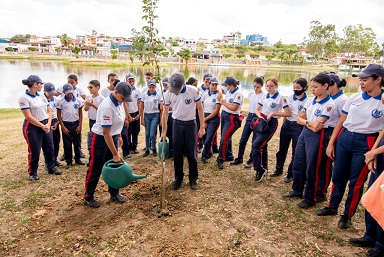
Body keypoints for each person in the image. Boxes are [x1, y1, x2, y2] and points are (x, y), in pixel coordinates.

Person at [315, 64, 384, 229]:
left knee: (356, 181)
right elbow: (341, 121)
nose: (361, 82)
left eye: (365, 79)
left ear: (378, 80)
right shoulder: (354, 98)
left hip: (366, 142)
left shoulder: (382, 101)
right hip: (345, 138)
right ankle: (332, 206)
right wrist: (331, 143)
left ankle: (347, 215)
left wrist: (373, 151)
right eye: (360, 79)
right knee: (338, 176)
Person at [283, 73, 335, 208]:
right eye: (311, 87)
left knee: (312, 167)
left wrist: (306, 122)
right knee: (298, 161)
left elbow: (319, 126)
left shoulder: (329, 104)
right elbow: (299, 119)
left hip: (318, 136)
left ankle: (310, 197)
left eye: (315, 87)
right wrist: (309, 123)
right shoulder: (310, 100)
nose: (313, 89)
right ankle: (297, 189)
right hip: (305, 133)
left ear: (325, 86)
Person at [83, 81, 133, 208]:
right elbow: (105, 133)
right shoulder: (107, 106)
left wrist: (119, 136)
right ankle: (88, 197)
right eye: (123, 97)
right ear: (116, 92)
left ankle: (114, 192)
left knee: (114, 166)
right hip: (100, 138)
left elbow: (118, 121)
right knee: (96, 168)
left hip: (113, 136)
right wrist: (116, 154)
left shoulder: (119, 102)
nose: (124, 100)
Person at [161, 72, 205, 190]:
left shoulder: (193, 91)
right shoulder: (168, 93)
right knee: (177, 152)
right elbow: (165, 112)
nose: (175, 91)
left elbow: (200, 108)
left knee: (192, 153)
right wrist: (163, 130)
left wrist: (202, 127)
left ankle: (193, 179)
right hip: (177, 124)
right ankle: (178, 178)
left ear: (184, 84)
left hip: (191, 124)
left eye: (177, 88)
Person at [349, 129, 384, 257]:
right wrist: (372, 152)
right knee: (372, 198)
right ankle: (370, 235)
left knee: (382, 204)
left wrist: (374, 151)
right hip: (380, 154)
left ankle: (381, 245)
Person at [19, 75, 61, 180]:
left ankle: (51, 167)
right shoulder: (24, 98)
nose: (41, 86)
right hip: (33, 127)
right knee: (35, 150)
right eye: (40, 84)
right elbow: (28, 116)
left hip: (46, 123)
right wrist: (42, 126)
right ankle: (33, 172)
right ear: (35, 84)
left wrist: (48, 123)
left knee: (49, 147)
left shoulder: (41, 96)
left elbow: (49, 110)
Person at [252, 76, 291, 181]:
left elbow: (287, 113)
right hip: (262, 121)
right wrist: (259, 116)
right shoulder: (264, 96)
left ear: (276, 86)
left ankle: (259, 169)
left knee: (256, 145)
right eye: (267, 86)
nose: (269, 88)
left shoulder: (281, 98)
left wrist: (274, 113)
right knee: (262, 146)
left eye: (271, 86)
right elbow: (257, 109)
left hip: (271, 122)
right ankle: (264, 168)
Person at [270, 78, 309, 182]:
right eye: (294, 87)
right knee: (282, 149)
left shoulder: (307, 101)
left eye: (298, 88)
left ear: (304, 88)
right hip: (287, 125)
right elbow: (286, 112)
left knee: (295, 151)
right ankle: (278, 169)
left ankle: (290, 173)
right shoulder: (290, 98)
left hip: (298, 127)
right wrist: (284, 124)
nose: (295, 90)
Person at [316, 72, 348, 200]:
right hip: (323, 130)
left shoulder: (342, 100)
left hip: (332, 131)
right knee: (320, 162)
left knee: (327, 164)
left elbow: (343, 120)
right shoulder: (328, 97)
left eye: (328, 85)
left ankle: (322, 192)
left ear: (333, 85)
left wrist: (334, 138)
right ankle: (317, 187)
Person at [230, 76, 265, 168]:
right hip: (250, 117)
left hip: (258, 118)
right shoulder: (250, 94)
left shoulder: (264, 96)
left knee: (254, 141)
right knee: (243, 139)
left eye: (258, 87)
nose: (256, 89)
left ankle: (251, 160)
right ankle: (239, 158)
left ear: (262, 86)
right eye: (254, 86)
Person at [216, 76, 244, 170]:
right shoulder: (229, 91)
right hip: (225, 115)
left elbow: (234, 108)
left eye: (227, 85)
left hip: (232, 117)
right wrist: (220, 92)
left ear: (231, 85)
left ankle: (221, 159)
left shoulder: (238, 94)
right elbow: (220, 89)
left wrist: (223, 102)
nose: (226, 87)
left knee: (224, 138)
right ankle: (228, 155)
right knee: (227, 137)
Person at [56, 83, 85, 169]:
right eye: (68, 93)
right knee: (67, 143)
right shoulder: (61, 101)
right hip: (66, 124)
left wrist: (80, 125)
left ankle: (78, 159)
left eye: (71, 92)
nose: (70, 94)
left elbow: (80, 113)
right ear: (64, 92)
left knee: (77, 142)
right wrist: (63, 127)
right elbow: (59, 115)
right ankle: (69, 161)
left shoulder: (78, 100)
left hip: (76, 123)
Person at [200, 77, 221, 163]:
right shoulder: (204, 94)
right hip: (205, 116)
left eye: (216, 85)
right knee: (204, 137)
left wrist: (205, 119)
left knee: (209, 137)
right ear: (209, 84)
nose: (214, 87)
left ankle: (204, 155)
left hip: (213, 118)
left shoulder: (218, 95)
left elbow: (216, 111)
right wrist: (203, 120)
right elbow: (201, 107)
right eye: (212, 85)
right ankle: (209, 152)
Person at [140, 79, 162, 157]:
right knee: (147, 133)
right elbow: (141, 106)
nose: (151, 89)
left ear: (155, 87)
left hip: (155, 115)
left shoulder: (158, 95)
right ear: (148, 87)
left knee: (152, 133)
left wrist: (161, 118)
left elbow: (161, 107)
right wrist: (141, 118)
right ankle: (147, 150)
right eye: (150, 87)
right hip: (147, 115)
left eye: (153, 87)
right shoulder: (144, 95)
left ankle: (154, 148)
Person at [43, 82, 62, 167]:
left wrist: (57, 123)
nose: (51, 95)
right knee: (48, 144)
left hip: (54, 121)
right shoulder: (41, 99)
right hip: (46, 121)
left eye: (52, 93)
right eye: (49, 93)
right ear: (44, 91)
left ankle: (54, 159)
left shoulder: (56, 99)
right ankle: (48, 162)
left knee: (56, 141)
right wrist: (48, 124)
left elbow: (60, 113)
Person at [125, 73, 142, 155]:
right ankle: (128, 147)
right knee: (128, 131)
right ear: (126, 81)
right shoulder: (125, 91)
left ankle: (134, 147)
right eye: (129, 81)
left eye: (133, 81)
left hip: (135, 112)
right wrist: (127, 115)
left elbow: (139, 102)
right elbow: (124, 104)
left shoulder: (138, 91)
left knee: (136, 131)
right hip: (128, 113)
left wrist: (139, 113)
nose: (131, 83)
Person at [160, 77, 174, 158]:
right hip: (165, 115)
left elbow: (173, 107)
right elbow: (162, 107)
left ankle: (173, 151)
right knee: (166, 133)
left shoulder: (173, 92)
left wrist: (168, 106)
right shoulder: (163, 93)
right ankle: (166, 151)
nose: (165, 86)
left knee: (173, 134)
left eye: (166, 84)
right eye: (164, 85)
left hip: (172, 115)